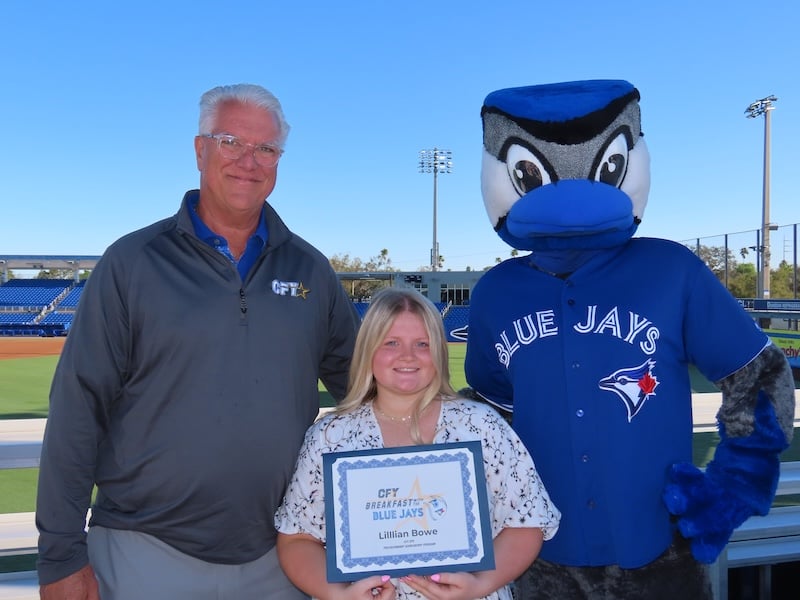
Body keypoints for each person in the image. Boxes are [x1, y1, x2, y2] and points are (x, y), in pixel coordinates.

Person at [466, 79, 796, 599]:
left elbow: (759, 376)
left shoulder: (671, 269)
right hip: (538, 555)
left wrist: (734, 486)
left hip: (659, 552)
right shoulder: (494, 292)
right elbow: (489, 414)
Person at [35, 83, 361, 600]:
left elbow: (366, 389)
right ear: (199, 149)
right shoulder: (132, 261)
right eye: (231, 141)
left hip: (282, 554)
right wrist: (59, 556)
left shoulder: (311, 270)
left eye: (267, 149)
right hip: (143, 551)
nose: (249, 161)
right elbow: (78, 409)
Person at [275, 287, 560, 599]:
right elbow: (297, 539)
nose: (407, 355)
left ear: (437, 351)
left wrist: (481, 583)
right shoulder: (329, 437)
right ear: (368, 350)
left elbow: (526, 521)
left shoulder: (482, 425)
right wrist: (339, 594)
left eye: (422, 344)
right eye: (391, 343)